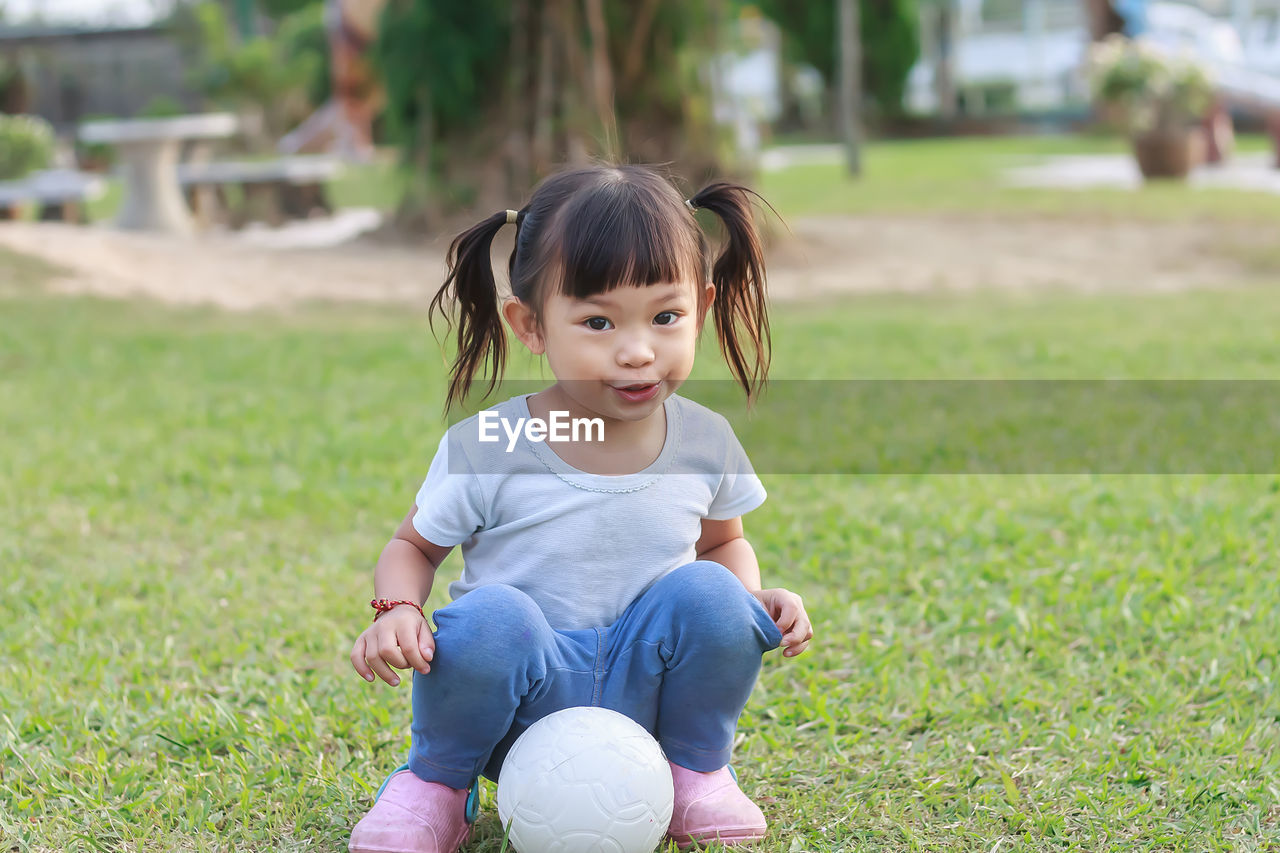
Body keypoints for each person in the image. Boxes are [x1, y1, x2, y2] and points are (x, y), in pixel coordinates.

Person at [347, 163, 815, 853]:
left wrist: (752, 599)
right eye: (598, 321)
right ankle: (438, 786)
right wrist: (399, 609)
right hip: (517, 702)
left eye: (666, 316)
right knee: (492, 616)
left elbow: (721, 545)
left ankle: (695, 771)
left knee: (711, 592)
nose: (636, 350)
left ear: (703, 308)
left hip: (647, 691)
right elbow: (413, 547)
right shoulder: (495, 442)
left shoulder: (703, 438)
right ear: (530, 325)